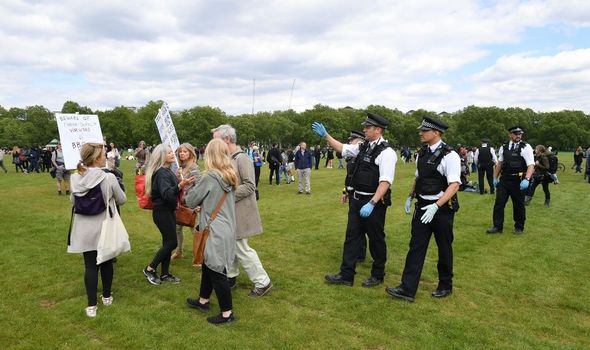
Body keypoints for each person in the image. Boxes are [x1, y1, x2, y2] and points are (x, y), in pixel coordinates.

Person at [313, 112, 396, 288]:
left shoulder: (387, 152)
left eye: (368, 127)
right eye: (365, 126)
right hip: (357, 199)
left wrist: (372, 203)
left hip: (373, 202)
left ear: (378, 130)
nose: (364, 129)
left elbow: (386, 181)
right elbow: (342, 148)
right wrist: (326, 135)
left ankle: (378, 274)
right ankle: (346, 274)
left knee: (375, 239)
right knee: (351, 238)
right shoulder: (363, 146)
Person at [386, 117, 461, 302]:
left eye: (425, 130)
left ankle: (445, 285)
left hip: (441, 210)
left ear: (436, 132)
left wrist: (436, 206)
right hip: (422, 207)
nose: (421, 133)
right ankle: (407, 288)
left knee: (444, 248)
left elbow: (454, 185)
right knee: (416, 248)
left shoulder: (450, 155)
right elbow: (419, 177)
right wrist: (411, 196)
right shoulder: (422, 153)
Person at [212, 125, 273, 297]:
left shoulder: (242, 158)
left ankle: (263, 282)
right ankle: (231, 277)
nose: (213, 144)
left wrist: (225, 196)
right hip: (230, 213)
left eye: (216, 139)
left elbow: (249, 186)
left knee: (241, 248)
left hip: (240, 212)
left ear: (227, 140)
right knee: (231, 246)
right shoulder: (228, 158)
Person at [68, 143, 127, 317]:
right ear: (95, 158)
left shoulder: (74, 177)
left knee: (90, 265)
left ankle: (91, 305)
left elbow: (73, 200)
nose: (105, 158)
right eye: (103, 155)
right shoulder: (108, 178)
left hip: (83, 227)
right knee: (107, 262)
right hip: (104, 225)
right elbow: (122, 199)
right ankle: (107, 296)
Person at [185, 138, 238, 325]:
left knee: (217, 270)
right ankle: (203, 300)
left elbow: (190, 201)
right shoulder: (229, 174)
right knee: (209, 263)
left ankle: (227, 314)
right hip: (226, 227)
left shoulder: (209, 177)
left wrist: (186, 185)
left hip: (215, 229)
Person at [143, 144, 195, 285]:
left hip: (169, 211)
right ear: (162, 156)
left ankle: (165, 274)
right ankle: (150, 268)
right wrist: (179, 185)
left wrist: (180, 182)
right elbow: (167, 194)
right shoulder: (161, 173)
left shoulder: (167, 171)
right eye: (169, 152)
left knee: (168, 242)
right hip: (162, 211)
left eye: (173, 152)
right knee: (172, 242)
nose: (173, 154)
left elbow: (171, 190)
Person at [486, 126, 535, 235]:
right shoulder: (504, 147)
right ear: (510, 135)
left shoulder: (525, 147)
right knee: (499, 203)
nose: (518, 136)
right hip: (504, 179)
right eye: (516, 133)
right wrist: (495, 177)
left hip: (518, 180)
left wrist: (527, 179)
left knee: (518, 204)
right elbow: (500, 163)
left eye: (520, 134)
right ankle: (497, 226)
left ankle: (519, 227)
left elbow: (531, 165)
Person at [171, 143, 201, 260]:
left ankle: (199, 255)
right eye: (180, 152)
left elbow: (199, 186)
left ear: (190, 153)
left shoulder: (194, 168)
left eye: (185, 151)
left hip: (192, 204)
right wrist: (176, 176)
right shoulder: (179, 167)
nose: (182, 154)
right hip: (180, 203)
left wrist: (198, 204)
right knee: (177, 229)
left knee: (195, 230)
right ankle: (179, 251)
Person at [342, 130, 368, 262]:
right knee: (355, 225)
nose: (350, 142)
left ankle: (361, 253)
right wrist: (345, 191)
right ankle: (357, 252)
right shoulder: (352, 157)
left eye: (351, 140)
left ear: (359, 140)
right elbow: (349, 176)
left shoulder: (361, 156)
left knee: (363, 226)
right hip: (352, 192)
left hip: (362, 194)